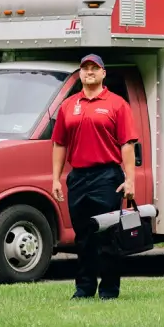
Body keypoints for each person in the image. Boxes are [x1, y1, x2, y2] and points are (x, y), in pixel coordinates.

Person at [51, 54, 139, 300]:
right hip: (78, 177)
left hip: (107, 177)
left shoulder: (117, 104)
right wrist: (56, 178)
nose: (89, 72)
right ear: (80, 74)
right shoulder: (69, 105)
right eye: (85, 68)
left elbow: (127, 144)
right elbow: (59, 144)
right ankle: (84, 289)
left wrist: (129, 180)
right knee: (83, 237)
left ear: (103, 73)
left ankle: (109, 290)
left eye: (94, 68)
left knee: (107, 236)